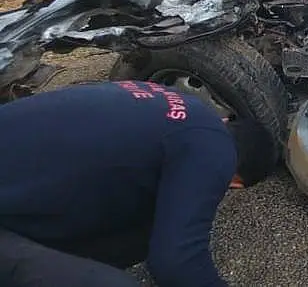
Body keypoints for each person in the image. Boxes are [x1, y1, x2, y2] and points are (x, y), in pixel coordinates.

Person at [0, 81, 271, 286]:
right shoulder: (217, 150)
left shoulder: (179, 106)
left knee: (148, 232)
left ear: (226, 119)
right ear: (235, 183)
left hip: (16, 180)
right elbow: (177, 263)